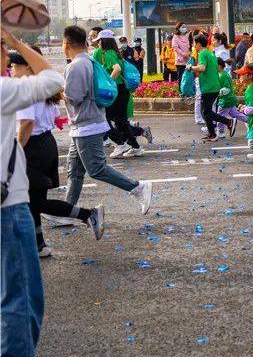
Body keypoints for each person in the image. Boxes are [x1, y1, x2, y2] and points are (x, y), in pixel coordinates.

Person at [1, 29, 65, 357]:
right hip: (7, 207)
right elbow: (53, 80)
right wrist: (17, 44)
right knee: (20, 296)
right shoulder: (3, 90)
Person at [9, 49, 105, 257]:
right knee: (33, 198)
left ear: (27, 66)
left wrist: (16, 148)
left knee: (34, 201)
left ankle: (88, 214)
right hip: (46, 144)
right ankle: (39, 244)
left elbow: (26, 122)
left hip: (32, 147)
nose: (12, 69)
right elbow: (51, 116)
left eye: (15, 65)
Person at [60, 25, 153, 213]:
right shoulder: (89, 61)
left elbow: (74, 98)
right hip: (86, 123)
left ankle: (138, 187)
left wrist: (56, 92)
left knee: (96, 169)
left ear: (67, 43)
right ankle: (68, 211)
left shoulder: (76, 66)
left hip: (86, 124)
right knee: (75, 171)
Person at [95, 30, 143, 157]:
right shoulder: (115, 52)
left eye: (99, 40)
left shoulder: (108, 54)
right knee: (120, 120)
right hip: (122, 90)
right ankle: (135, 147)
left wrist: (109, 82)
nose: (98, 43)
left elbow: (117, 69)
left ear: (103, 41)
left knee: (104, 118)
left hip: (117, 90)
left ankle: (120, 144)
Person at [189, 34, 235, 142]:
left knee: (207, 112)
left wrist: (190, 67)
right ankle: (212, 134)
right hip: (214, 86)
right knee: (206, 111)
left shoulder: (203, 53)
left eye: (194, 43)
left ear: (199, 44)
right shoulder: (210, 53)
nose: (193, 45)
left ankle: (228, 122)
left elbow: (202, 68)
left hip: (208, 87)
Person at [215, 57, 247, 137]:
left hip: (225, 100)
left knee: (220, 116)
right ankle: (251, 121)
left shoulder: (222, 75)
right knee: (236, 114)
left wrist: (217, 92)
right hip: (230, 99)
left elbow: (227, 89)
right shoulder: (224, 74)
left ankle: (220, 132)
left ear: (218, 66)